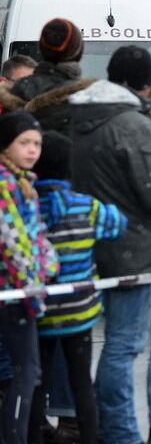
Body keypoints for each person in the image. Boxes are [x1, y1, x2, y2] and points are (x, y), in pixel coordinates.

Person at [69, 47, 151, 444]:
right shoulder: (136, 125)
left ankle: (105, 427)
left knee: (105, 345)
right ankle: (120, 432)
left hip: (92, 242)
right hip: (136, 246)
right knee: (124, 346)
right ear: (144, 82)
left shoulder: (79, 118)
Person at [28, 131, 126, 444]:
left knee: (35, 381)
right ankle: (88, 437)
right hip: (80, 311)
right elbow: (116, 226)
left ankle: (32, 435)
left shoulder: (27, 206)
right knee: (81, 381)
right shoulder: (86, 206)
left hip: (38, 310)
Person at [0, 111, 57, 444]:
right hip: (15, 291)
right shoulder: (6, 182)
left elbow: (38, 237)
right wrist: (33, 281)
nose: (33, 149)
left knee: (20, 371)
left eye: (37, 142)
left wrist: (48, 266)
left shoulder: (23, 180)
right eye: (24, 142)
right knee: (27, 371)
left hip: (20, 287)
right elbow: (13, 240)